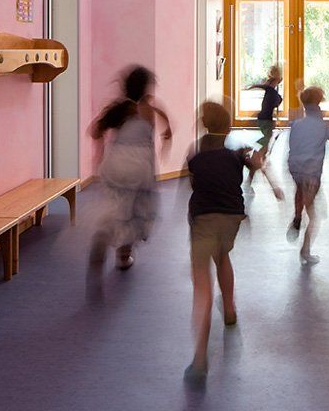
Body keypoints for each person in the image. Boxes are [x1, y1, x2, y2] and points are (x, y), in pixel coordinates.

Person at [185, 99, 265, 384]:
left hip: (203, 220)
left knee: (202, 290)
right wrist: (253, 163)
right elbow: (251, 168)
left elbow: (197, 186)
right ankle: (229, 309)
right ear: (229, 126)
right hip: (231, 219)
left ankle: (199, 357)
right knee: (223, 257)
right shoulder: (235, 157)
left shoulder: (195, 157)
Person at [87, 66, 173, 272]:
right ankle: (123, 255)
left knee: (117, 206)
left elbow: (95, 131)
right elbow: (167, 132)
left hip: (115, 162)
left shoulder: (118, 109)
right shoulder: (149, 109)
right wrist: (164, 149)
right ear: (146, 88)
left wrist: (99, 154)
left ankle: (105, 233)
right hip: (139, 165)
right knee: (138, 210)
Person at [285, 85, 329, 265]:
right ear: (319, 102)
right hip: (312, 171)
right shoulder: (322, 125)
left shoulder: (297, 125)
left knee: (300, 189)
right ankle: (305, 251)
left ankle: (298, 214)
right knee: (315, 214)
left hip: (295, 167)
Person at [246, 64, 284, 186]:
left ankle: (257, 153)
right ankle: (255, 154)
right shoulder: (271, 90)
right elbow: (276, 100)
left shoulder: (270, 89)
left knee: (266, 139)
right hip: (265, 119)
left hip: (265, 118)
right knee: (266, 141)